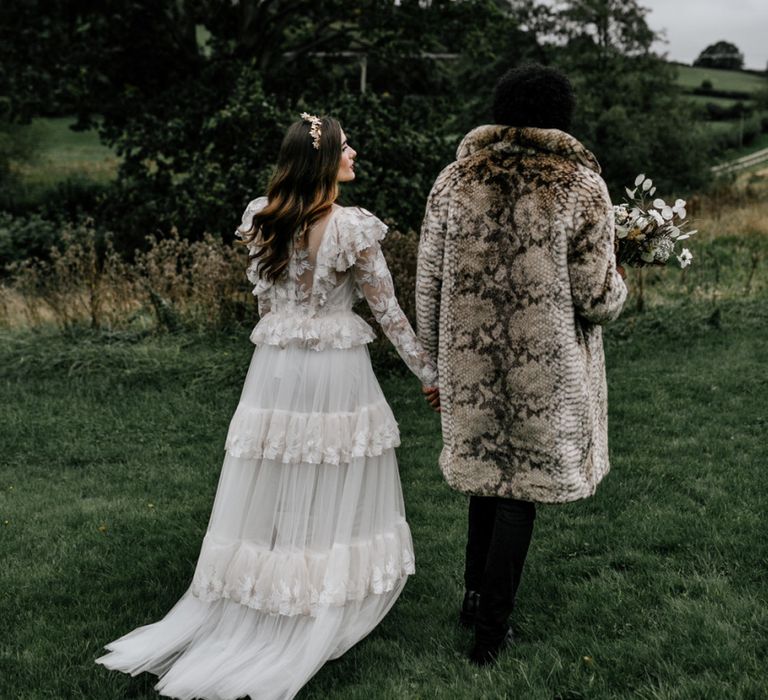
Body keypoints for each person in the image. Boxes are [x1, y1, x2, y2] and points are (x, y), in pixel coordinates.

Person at [96, 113, 437, 699]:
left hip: (275, 371)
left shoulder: (264, 218)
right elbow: (389, 314)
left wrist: (279, 352)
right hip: (333, 374)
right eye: (344, 145)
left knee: (278, 475)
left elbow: (266, 308)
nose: (354, 151)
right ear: (324, 160)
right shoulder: (351, 228)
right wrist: (429, 374)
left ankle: (276, 588)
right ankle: (313, 595)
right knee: (330, 474)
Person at [415, 64, 627, 665]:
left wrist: (434, 364)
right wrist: (621, 285)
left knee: (487, 478)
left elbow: (426, 281)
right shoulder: (580, 186)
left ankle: (475, 601)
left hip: (469, 363)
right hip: (546, 370)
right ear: (560, 115)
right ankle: (490, 636)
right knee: (519, 489)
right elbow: (595, 297)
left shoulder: (454, 180)